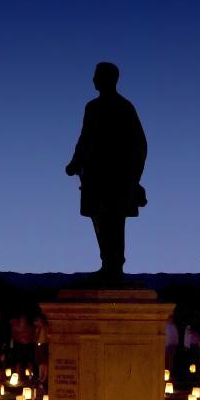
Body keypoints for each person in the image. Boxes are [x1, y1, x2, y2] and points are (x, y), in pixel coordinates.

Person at [66, 62, 147, 279]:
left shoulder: (124, 107)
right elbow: (84, 138)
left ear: (108, 79)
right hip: (93, 176)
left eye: (97, 76)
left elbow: (139, 144)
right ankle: (107, 263)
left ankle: (115, 266)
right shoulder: (91, 107)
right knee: (99, 219)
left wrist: (134, 179)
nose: (93, 80)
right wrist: (75, 162)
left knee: (114, 221)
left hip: (117, 178)